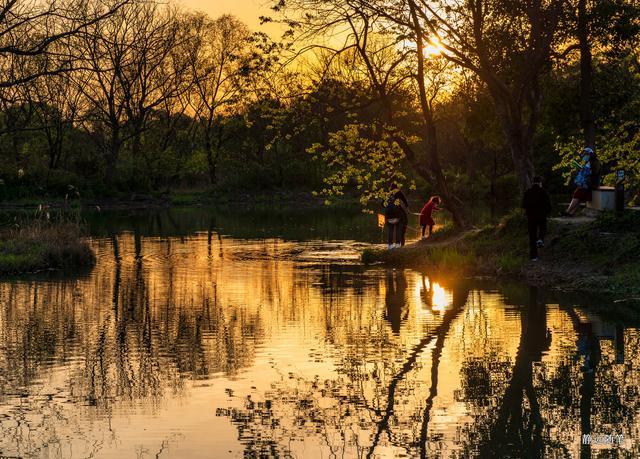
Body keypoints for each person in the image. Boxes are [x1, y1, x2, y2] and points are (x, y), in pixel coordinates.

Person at [561, 147, 601, 217]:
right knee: (579, 197)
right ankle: (571, 213)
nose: (583, 156)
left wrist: (584, 170)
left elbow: (593, 173)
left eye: (585, 154)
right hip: (588, 184)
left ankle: (568, 211)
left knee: (577, 194)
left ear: (589, 154)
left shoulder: (594, 162)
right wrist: (581, 168)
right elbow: (586, 172)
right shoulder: (589, 162)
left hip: (590, 184)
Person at [522, 176, 552, 261]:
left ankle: (534, 256)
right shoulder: (544, 192)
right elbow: (549, 205)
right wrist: (548, 213)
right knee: (543, 228)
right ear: (540, 183)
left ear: (532, 182)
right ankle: (540, 239)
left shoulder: (527, 192)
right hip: (542, 215)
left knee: (532, 235)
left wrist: (527, 212)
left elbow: (524, 205)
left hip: (531, 216)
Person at [384, 183, 409, 248]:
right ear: (397, 188)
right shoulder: (399, 192)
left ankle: (390, 246)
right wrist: (407, 208)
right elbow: (405, 201)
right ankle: (398, 245)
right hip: (398, 215)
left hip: (388, 216)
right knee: (398, 229)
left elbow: (382, 203)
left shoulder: (388, 194)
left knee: (390, 230)